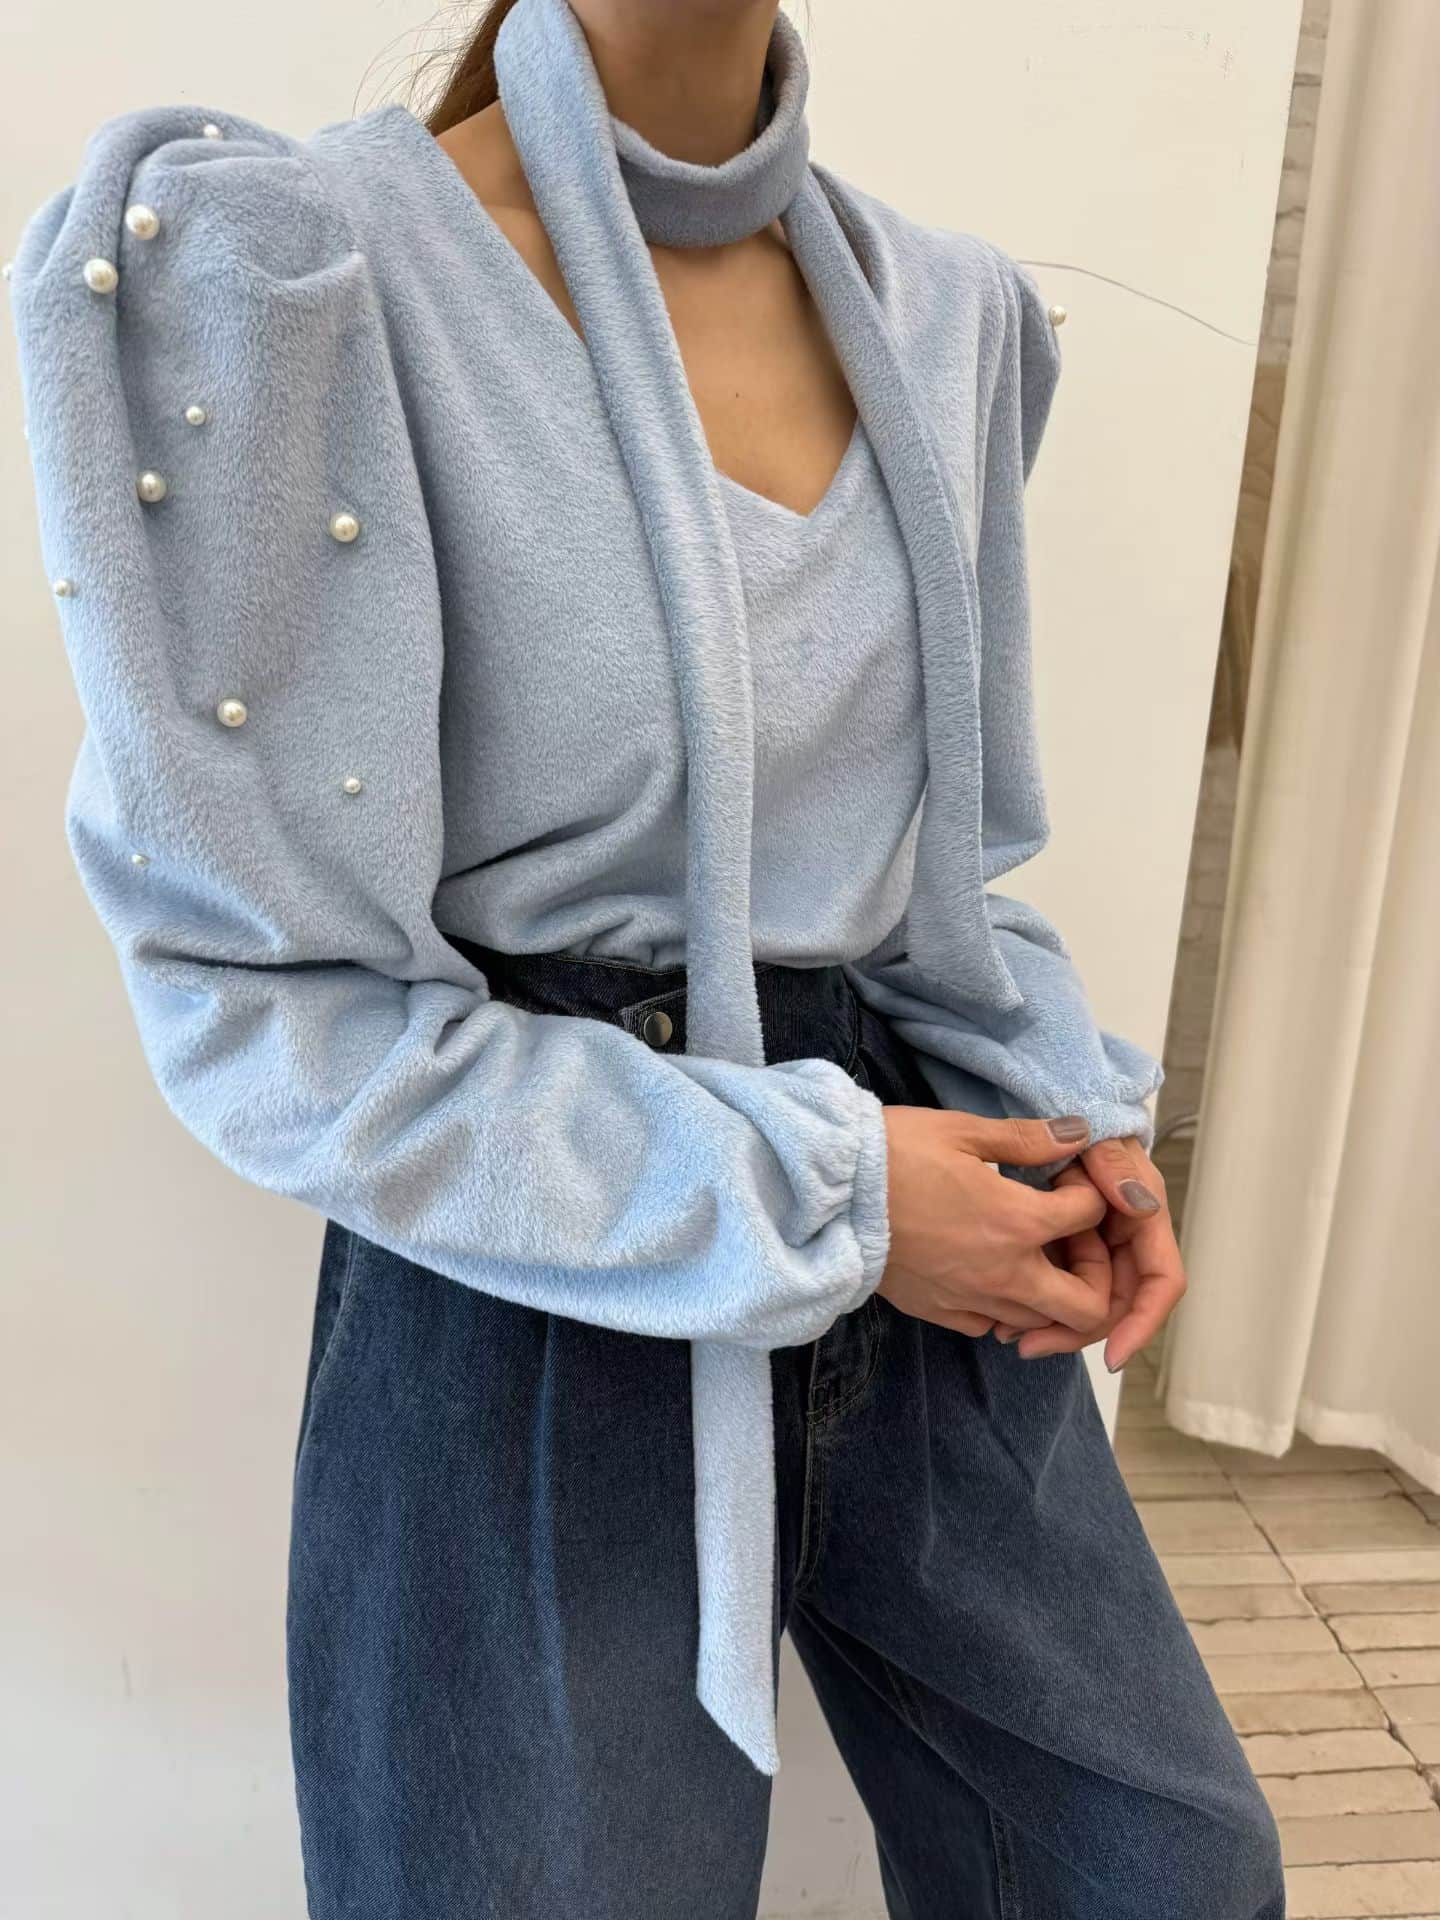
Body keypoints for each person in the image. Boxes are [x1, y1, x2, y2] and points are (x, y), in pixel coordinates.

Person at [8, 0, 1285, 1912]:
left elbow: (914, 879)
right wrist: (835, 1192)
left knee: (1161, 1870)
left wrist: (1058, 1113)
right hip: (538, 1289)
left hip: (925, 1220)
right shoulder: (309, 279)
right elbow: (263, 1005)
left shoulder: (947, 318)